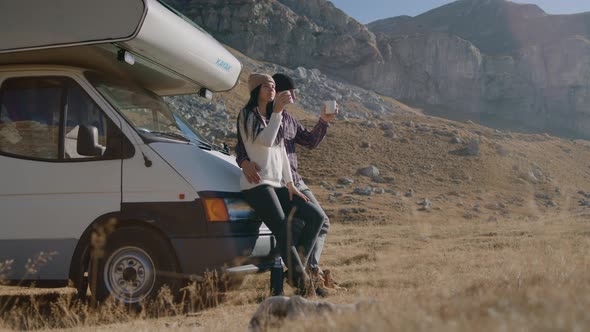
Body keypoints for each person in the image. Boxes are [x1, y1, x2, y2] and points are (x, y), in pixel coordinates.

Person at [236, 73, 338, 289]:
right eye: (289, 91)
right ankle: (306, 277)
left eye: (273, 86)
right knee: (289, 228)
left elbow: (301, 144)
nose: (294, 95)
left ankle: (298, 272)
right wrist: (244, 162)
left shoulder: (286, 119)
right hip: (268, 182)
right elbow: (249, 145)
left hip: (290, 180)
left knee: (318, 219)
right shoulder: (252, 114)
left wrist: (323, 122)